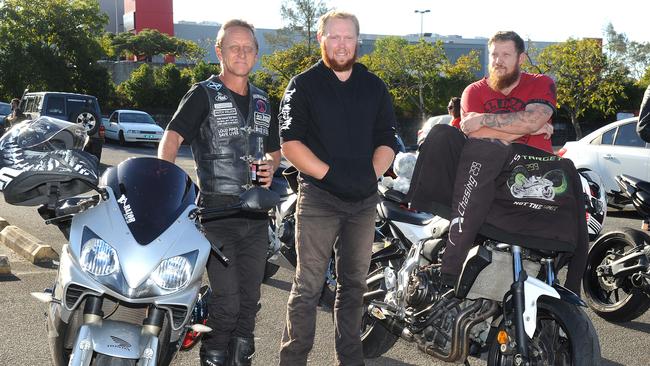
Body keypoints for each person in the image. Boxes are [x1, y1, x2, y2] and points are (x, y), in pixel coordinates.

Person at [407, 31, 587, 294]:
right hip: (488, 174)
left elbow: (528, 120)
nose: (498, 61)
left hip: (532, 172)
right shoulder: (474, 91)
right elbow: (475, 134)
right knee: (484, 150)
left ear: (521, 58)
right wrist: (531, 128)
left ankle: (565, 290)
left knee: (575, 185)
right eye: (494, 55)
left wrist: (489, 120)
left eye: (506, 54)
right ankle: (452, 263)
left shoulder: (541, 83)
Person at [277, 10, 398, 366]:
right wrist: (330, 175)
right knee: (309, 286)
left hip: (362, 203)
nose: (341, 44)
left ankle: (349, 360)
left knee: (353, 287)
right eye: (334, 36)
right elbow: (290, 143)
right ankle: (293, 360)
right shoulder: (303, 84)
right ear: (321, 39)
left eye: (348, 37)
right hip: (318, 198)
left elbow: (386, 140)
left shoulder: (374, 86)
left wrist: (369, 175)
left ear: (357, 41)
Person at [157, 19, 280, 366]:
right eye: (233, 47)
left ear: (256, 54)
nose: (241, 53)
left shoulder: (262, 101)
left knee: (250, 301)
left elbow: (274, 150)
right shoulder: (202, 94)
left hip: (256, 219)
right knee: (226, 303)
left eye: (248, 47)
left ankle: (240, 359)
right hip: (216, 218)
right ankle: (212, 358)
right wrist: (163, 183)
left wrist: (271, 164)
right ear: (219, 52)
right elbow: (172, 137)